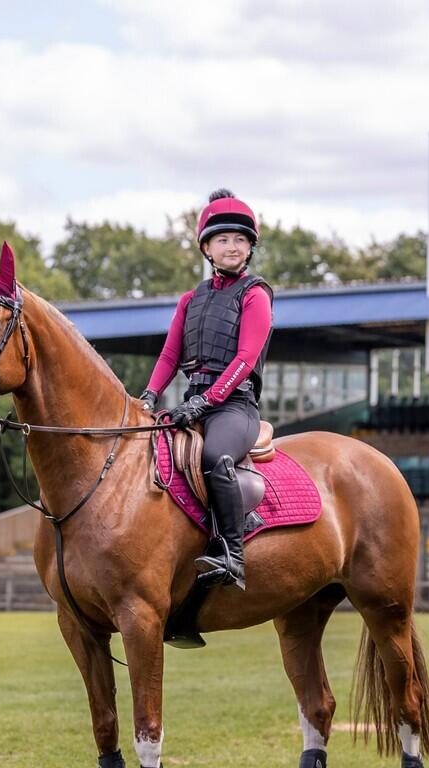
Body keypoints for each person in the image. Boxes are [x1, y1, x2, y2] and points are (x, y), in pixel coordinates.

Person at [139, 189, 274, 591]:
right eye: (222, 240)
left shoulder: (255, 295)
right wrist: (149, 395)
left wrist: (205, 401)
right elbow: (168, 355)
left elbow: (245, 359)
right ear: (207, 248)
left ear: (249, 248)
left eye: (240, 240)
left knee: (215, 456)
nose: (232, 247)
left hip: (234, 407)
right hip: (192, 403)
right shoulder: (189, 300)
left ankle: (233, 555)